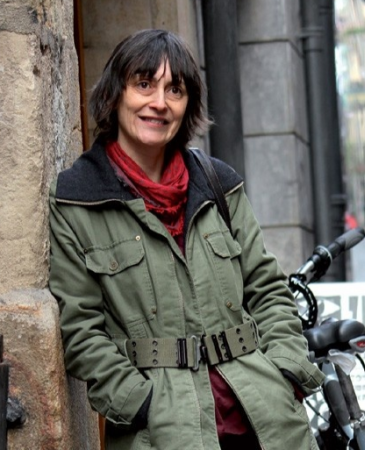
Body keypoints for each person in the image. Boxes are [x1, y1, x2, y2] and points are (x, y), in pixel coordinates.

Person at [49, 29, 324, 450]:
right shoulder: (78, 199)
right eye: (144, 84)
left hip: (266, 423)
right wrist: (142, 405)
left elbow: (268, 290)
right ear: (116, 94)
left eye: (174, 90)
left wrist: (287, 372)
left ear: (187, 105)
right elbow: (82, 331)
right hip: (162, 434)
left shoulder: (218, 184)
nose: (159, 103)